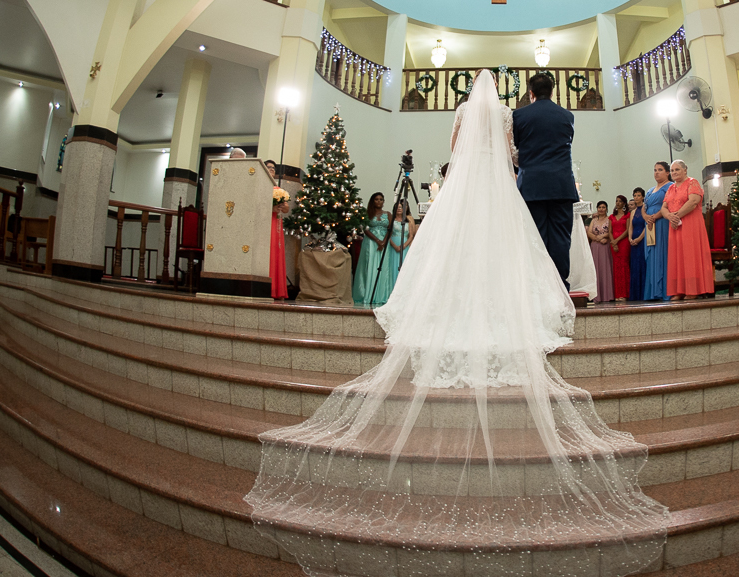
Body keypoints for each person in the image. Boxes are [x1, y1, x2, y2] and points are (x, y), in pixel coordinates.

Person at [246, 71, 668, 576]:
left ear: (469, 96)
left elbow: (456, 145)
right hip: (500, 184)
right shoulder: (509, 116)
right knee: (510, 243)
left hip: (465, 179)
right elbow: (512, 152)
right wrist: (506, 159)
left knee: (455, 246)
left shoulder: (465, 114)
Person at [513, 72, 579, 289]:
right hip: (561, 185)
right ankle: (560, 286)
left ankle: (539, 288)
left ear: (531, 93)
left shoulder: (519, 116)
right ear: (552, 92)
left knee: (535, 237)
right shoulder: (567, 116)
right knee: (561, 238)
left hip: (532, 186)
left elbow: (517, 148)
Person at [662, 159, 714, 299]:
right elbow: (663, 208)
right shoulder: (671, 188)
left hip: (690, 224)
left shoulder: (692, 182)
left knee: (690, 255)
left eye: (677, 169)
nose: (674, 172)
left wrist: (676, 216)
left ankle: (693, 290)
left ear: (685, 170)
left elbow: (693, 202)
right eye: (672, 170)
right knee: (677, 257)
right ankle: (679, 290)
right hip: (675, 226)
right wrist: (670, 217)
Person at [351, 192, 392, 305]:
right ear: (372, 201)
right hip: (370, 243)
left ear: (384, 201)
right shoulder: (367, 213)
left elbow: (390, 229)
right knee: (369, 267)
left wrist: (383, 241)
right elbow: (365, 229)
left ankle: (381, 295)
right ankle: (367, 294)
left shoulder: (388, 214)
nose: (379, 201)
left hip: (384, 243)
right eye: (376, 199)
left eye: (381, 199)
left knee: (383, 267)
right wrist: (377, 241)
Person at [642, 162, 672, 301]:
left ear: (667, 173)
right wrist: (647, 217)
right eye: (655, 170)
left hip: (662, 223)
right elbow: (644, 207)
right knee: (651, 255)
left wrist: (654, 217)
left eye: (660, 170)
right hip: (650, 225)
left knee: (662, 254)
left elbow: (669, 205)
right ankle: (652, 292)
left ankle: (664, 290)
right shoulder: (650, 190)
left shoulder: (670, 187)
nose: (656, 172)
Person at [266, 159, 290, 301]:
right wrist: (271, 208)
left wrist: (280, 207)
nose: (271, 170)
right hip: (266, 224)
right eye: (268, 167)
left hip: (277, 225)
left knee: (277, 252)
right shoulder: (260, 186)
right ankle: (267, 288)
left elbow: (286, 208)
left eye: (274, 168)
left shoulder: (278, 189)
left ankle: (278, 289)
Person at [587, 200, 614, 304]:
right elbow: (589, 232)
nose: (601, 209)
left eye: (603, 207)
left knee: (605, 269)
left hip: (605, 246)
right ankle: (597, 296)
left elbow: (610, 231)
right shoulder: (593, 220)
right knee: (596, 269)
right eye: (599, 207)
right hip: (595, 246)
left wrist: (604, 237)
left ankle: (607, 295)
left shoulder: (609, 219)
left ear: (606, 209)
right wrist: (597, 238)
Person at [609, 194, 631, 301]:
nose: (617, 203)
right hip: (613, 243)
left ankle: (625, 294)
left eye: (620, 201)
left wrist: (617, 241)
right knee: (616, 268)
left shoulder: (627, 215)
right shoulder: (611, 217)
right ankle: (617, 294)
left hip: (623, 242)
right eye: (616, 201)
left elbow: (627, 230)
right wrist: (613, 242)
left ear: (624, 203)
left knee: (624, 267)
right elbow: (609, 231)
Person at [628, 188, 648, 301]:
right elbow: (631, 226)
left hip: (642, 240)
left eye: (638, 195)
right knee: (635, 267)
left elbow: (646, 225)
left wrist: (639, 238)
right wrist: (630, 238)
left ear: (643, 197)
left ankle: (643, 293)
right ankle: (635, 294)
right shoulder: (633, 212)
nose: (636, 197)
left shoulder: (646, 209)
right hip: (634, 242)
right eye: (634, 195)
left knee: (642, 265)